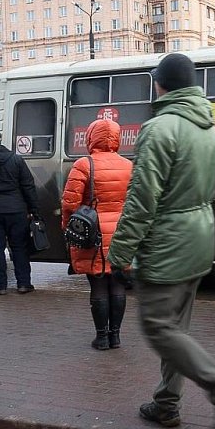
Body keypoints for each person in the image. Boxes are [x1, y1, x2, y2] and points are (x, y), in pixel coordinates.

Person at [107, 53, 215, 429]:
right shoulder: (207, 126)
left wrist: (120, 253)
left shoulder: (159, 128)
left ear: (162, 84)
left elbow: (142, 200)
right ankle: (166, 403)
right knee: (176, 330)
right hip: (199, 236)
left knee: (158, 327)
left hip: (167, 242)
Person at [61, 119, 133, 350]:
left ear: (91, 137)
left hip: (93, 234)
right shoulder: (128, 165)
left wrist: (67, 228)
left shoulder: (84, 164)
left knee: (98, 284)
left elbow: (69, 203)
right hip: (122, 233)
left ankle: (101, 338)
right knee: (118, 283)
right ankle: (116, 336)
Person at [0, 128, 40, 295]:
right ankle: (24, 283)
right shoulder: (15, 159)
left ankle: (0, 286)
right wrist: (34, 209)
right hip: (16, 209)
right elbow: (28, 185)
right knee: (19, 247)